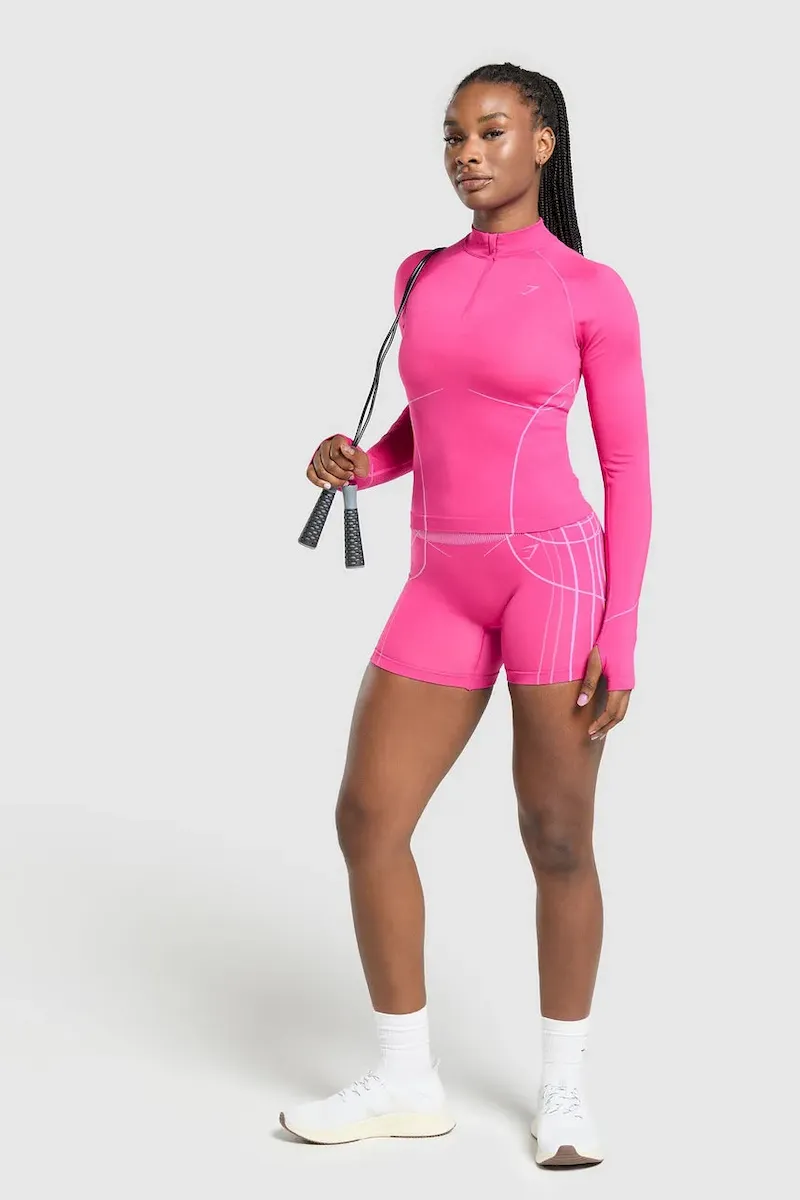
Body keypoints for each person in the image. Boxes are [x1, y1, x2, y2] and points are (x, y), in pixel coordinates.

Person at [279, 61, 651, 1168]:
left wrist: (621, 631)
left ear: (543, 143)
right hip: (439, 578)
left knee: (556, 838)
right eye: (452, 136)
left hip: (553, 578)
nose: (467, 154)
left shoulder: (590, 290)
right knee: (368, 817)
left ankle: (564, 1092)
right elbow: (433, 417)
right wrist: (363, 462)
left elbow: (626, 470)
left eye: (491, 132)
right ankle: (405, 1079)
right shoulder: (420, 274)